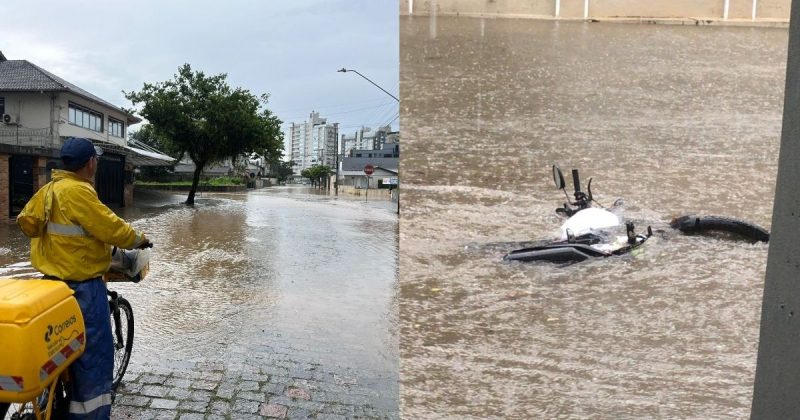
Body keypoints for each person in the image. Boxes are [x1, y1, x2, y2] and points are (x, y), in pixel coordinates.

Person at [16, 137, 150, 420]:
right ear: (90, 163)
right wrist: (139, 240)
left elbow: (26, 222)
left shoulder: (49, 189)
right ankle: (89, 415)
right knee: (94, 360)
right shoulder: (79, 192)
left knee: (58, 351)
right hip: (83, 288)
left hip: (50, 285)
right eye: (96, 160)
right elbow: (112, 227)